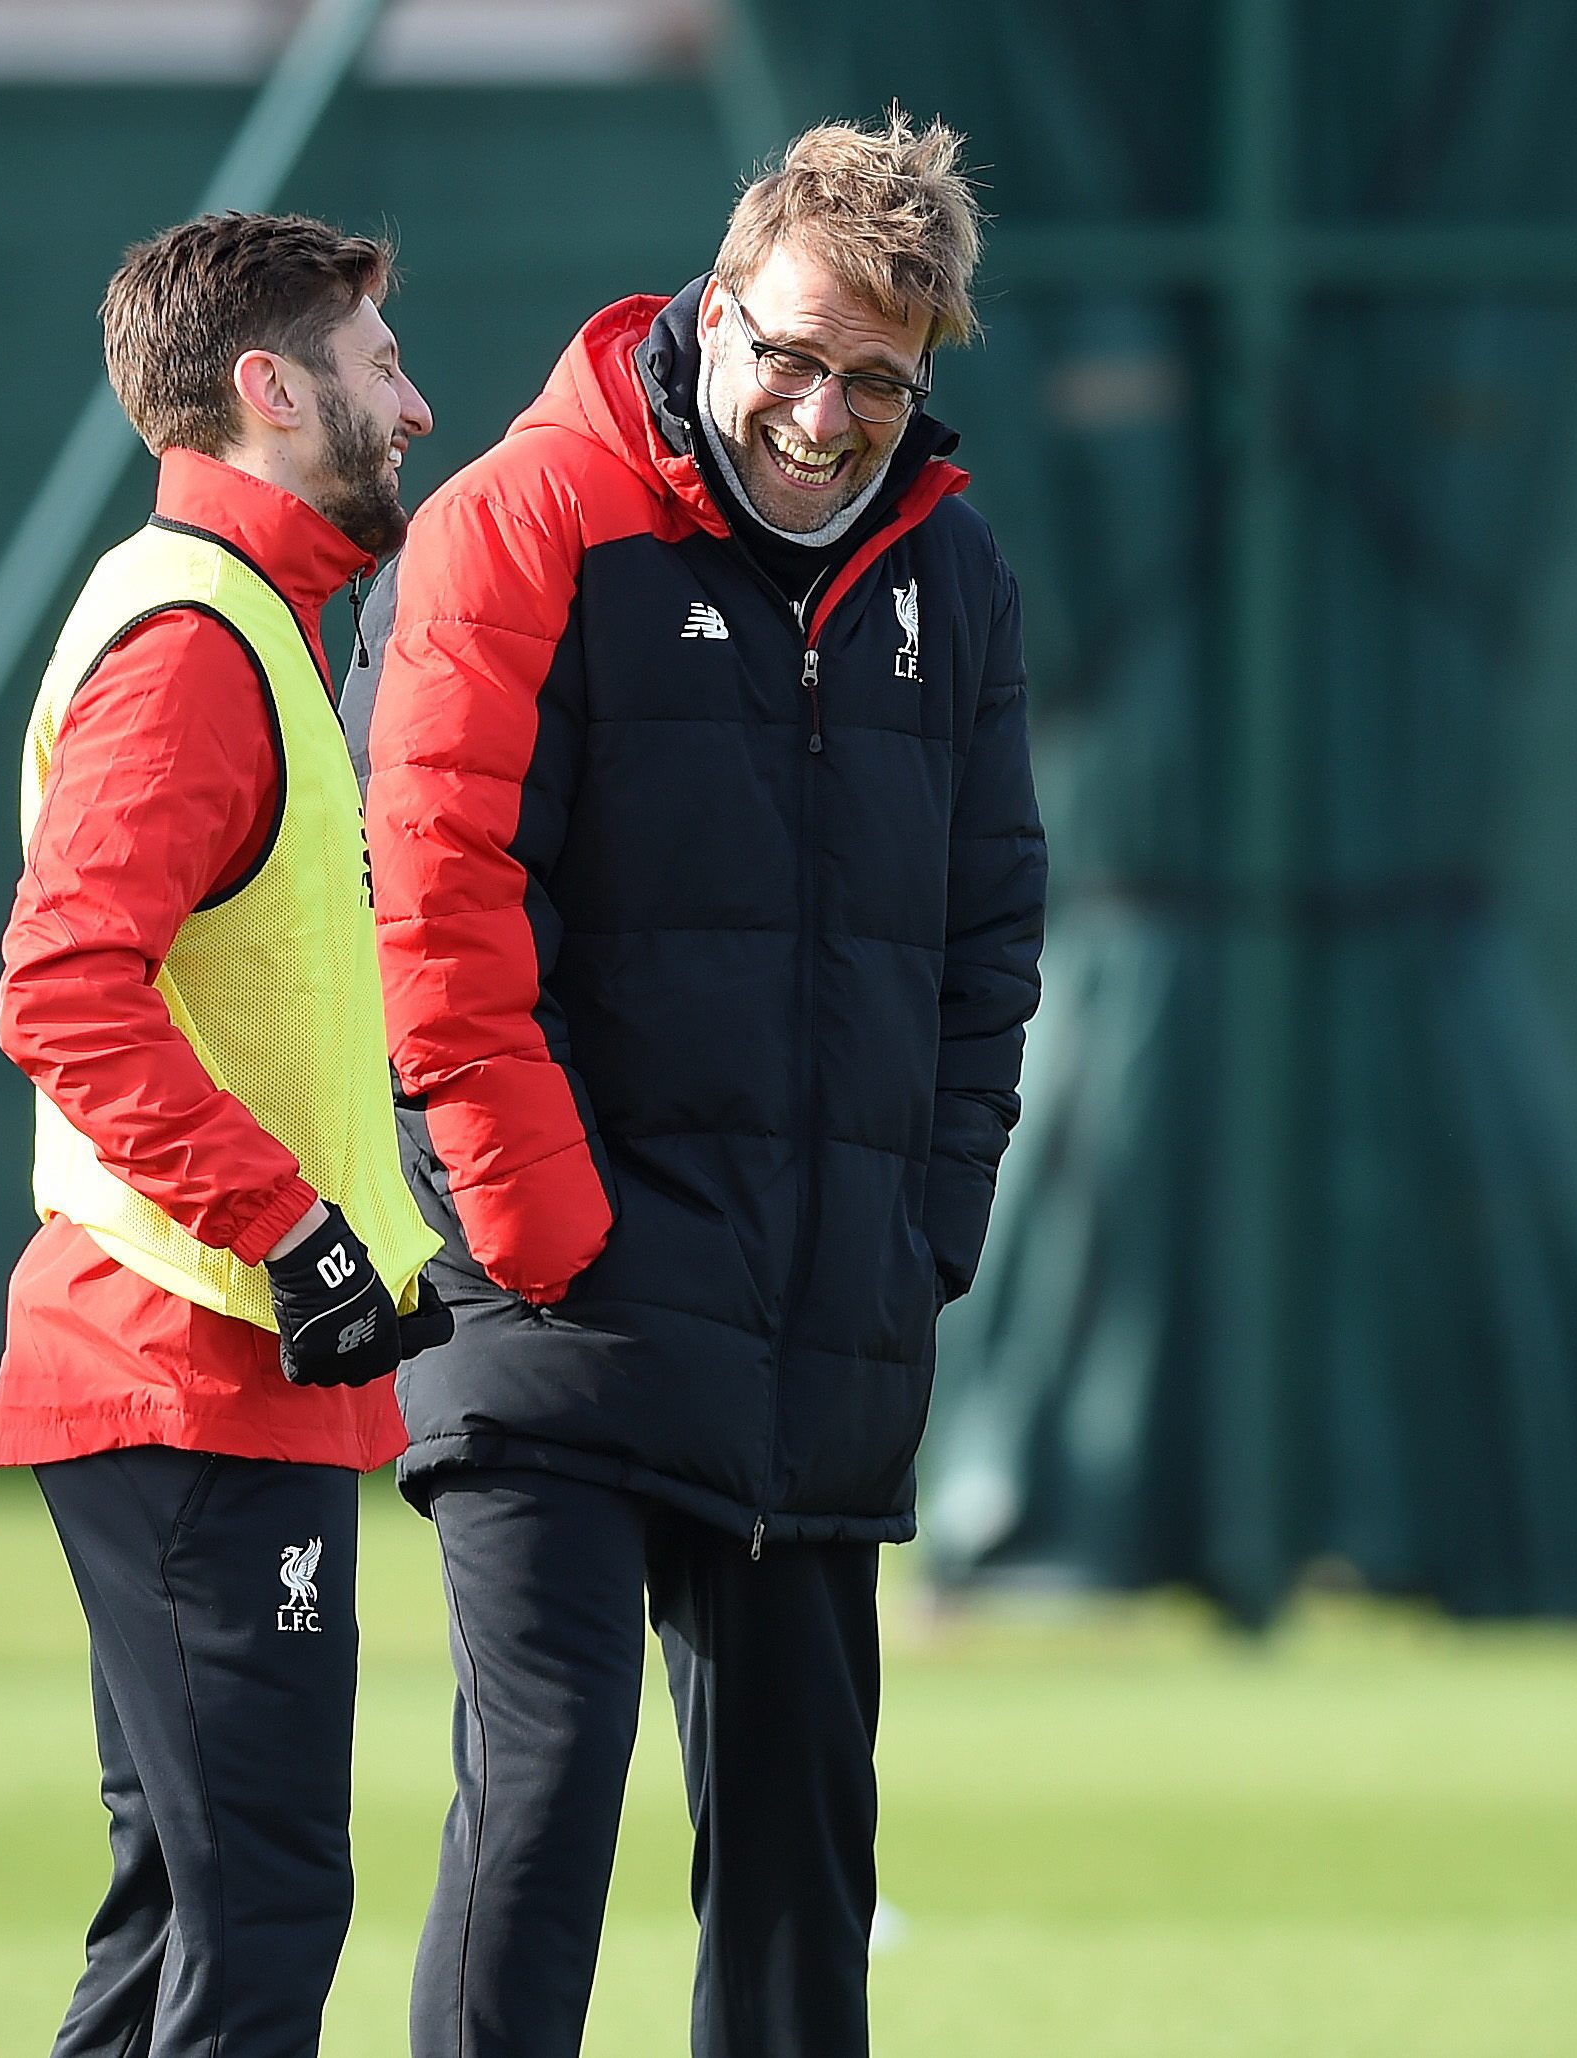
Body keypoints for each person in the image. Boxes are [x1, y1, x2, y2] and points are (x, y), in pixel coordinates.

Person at [364, 113, 1048, 2058]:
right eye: (794, 356)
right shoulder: (521, 518)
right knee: (548, 1789)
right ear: (717, 308)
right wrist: (528, 1214)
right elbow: (426, 888)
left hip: (812, 1307)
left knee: (797, 1861)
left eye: (879, 382)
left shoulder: (957, 579)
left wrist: (926, 1222)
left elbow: (993, 930)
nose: (826, 419)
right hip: (552, 1289)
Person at [0, 210, 450, 2058]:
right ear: (268, 390)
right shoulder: (200, 638)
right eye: (375, 365)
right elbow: (63, 985)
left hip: (197, 1358)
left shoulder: (240, 617)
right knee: (257, 1908)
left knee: (186, 1909)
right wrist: (296, 1233)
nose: (415, 401)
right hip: (186, 1359)